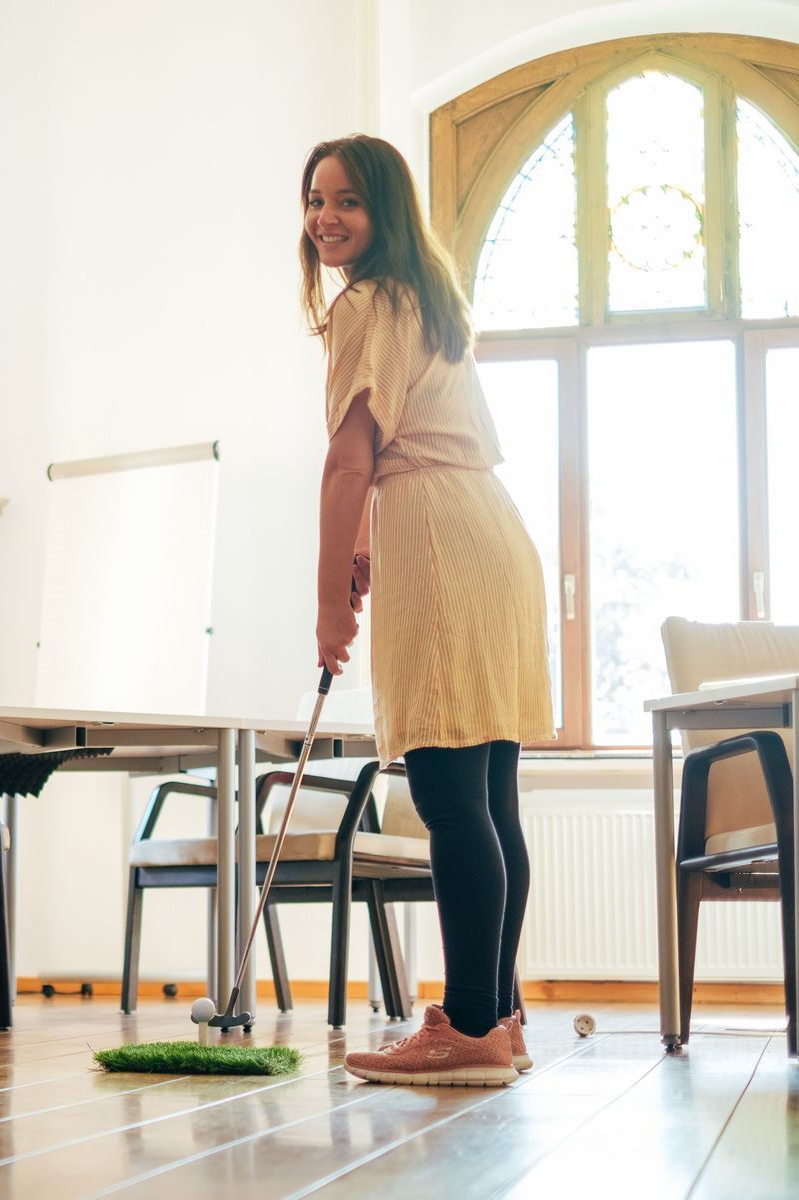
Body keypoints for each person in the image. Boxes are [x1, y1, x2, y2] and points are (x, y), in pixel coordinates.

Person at [302, 134, 553, 1087]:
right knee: (489, 795)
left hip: (442, 536)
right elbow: (404, 439)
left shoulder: (367, 301)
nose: (326, 218)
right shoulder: (423, 296)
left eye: (349, 203)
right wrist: (366, 543)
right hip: (486, 527)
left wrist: (329, 605)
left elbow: (350, 460)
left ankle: (472, 1030)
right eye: (316, 200)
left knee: (451, 796)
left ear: (387, 214)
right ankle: (501, 1018)